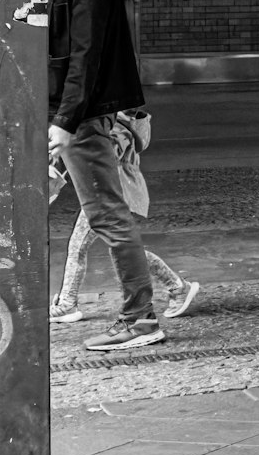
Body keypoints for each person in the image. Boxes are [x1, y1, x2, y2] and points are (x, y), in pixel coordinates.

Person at [46, 0, 165, 351]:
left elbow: (85, 57)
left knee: (108, 217)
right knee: (103, 217)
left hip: (81, 117)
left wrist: (63, 121)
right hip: (64, 113)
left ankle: (141, 319)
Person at [51, 109, 201, 323]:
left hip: (110, 192)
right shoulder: (119, 125)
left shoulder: (115, 128)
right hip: (114, 191)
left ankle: (67, 303)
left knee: (86, 247)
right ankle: (177, 287)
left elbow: (104, 159)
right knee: (121, 249)